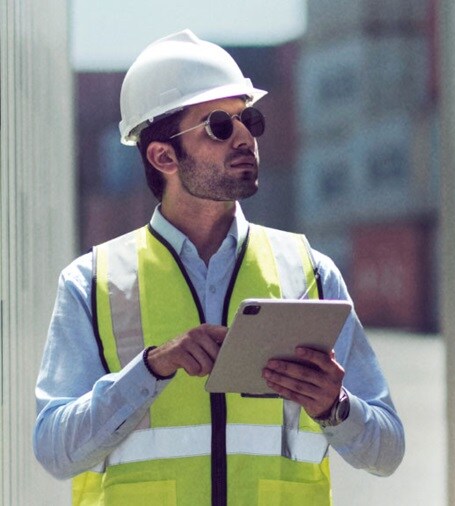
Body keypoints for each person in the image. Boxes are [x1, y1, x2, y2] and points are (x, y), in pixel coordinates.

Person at [33, 29, 404, 505]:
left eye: (248, 118)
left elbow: (388, 451)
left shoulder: (310, 271)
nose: (246, 136)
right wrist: (151, 369)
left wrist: (336, 408)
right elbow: (54, 452)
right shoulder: (92, 283)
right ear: (163, 155)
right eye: (219, 125)